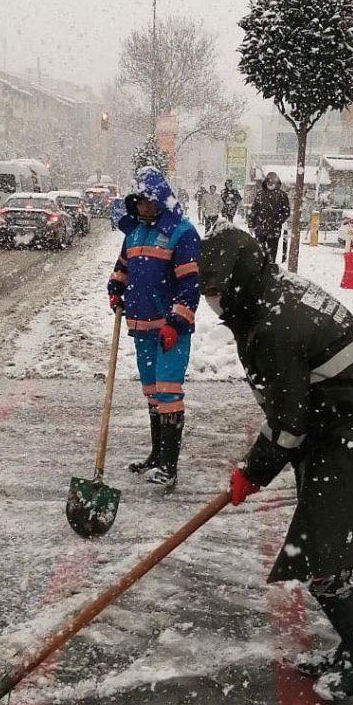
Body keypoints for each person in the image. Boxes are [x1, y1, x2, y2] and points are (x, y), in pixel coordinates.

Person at [199, 224, 353, 701]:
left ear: (239, 282)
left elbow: (289, 424)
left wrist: (251, 473)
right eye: (207, 290)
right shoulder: (276, 294)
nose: (211, 299)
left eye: (217, 289)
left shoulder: (273, 326)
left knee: (326, 562)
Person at [108, 167, 200, 488]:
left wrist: (176, 322)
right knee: (152, 393)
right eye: (137, 201)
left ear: (160, 199)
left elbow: (190, 285)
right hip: (141, 328)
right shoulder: (134, 233)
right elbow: (123, 268)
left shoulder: (181, 233)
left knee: (168, 392)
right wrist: (115, 289)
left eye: (147, 200)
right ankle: (157, 455)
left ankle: (169, 468)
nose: (141, 206)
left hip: (169, 331)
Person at [247, 171, 291, 261]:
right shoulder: (260, 194)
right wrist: (251, 224)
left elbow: (286, 212)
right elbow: (254, 210)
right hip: (260, 228)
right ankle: (261, 269)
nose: (270, 184)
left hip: (274, 230)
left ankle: (269, 268)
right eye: (268, 182)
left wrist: (277, 221)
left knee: (272, 254)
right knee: (260, 252)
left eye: (272, 182)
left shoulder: (282, 195)